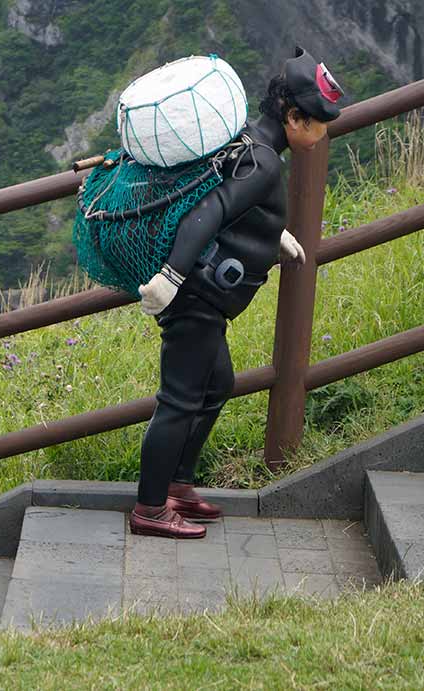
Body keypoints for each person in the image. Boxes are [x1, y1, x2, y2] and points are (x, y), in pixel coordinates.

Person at [129, 47, 344, 538]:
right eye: (317, 122)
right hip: (196, 298)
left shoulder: (250, 141)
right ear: (293, 117)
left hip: (207, 299)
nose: (322, 131)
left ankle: (178, 485)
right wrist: (171, 277)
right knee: (180, 400)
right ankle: (150, 510)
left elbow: (244, 211)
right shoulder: (265, 162)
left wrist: (274, 236)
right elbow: (211, 211)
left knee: (217, 384)